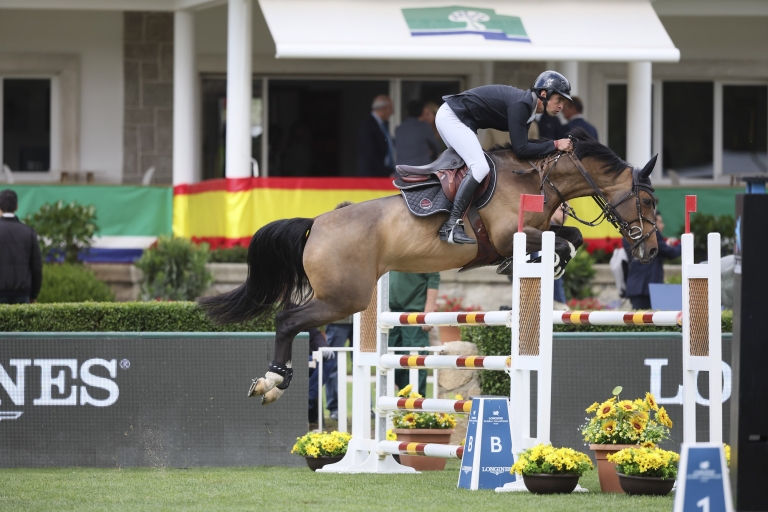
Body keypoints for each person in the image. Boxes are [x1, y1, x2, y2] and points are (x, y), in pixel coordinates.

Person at [435, 71, 574, 244]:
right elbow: (521, 149)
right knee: (480, 166)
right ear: (544, 94)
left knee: (472, 167)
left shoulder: (528, 109)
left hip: (456, 118)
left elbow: (525, 150)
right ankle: (451, 225)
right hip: (453, 117)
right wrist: (555, 144)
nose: (561, 106)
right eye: (559, 99)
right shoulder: (522, 106)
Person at [323, 201, 355, 421]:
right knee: (333, 364)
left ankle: (369, 406)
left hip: (363, 319)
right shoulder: (329, 248)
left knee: (365, 363)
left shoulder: (362, 244)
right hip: (337, 318)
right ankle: (334, 407)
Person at [388, 271, 440, 397]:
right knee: (395, 361)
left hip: (415, 315)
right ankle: (403, 403)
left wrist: (427, 313)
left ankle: (417, 404)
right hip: (394, 315)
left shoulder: (423, 252)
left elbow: (433, 277)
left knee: (416, 362)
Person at [623, 211, 681, 310]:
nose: (663, 225)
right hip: (648, 288)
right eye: (660, 222)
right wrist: (684, 243)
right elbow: (670, 253)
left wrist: (665, 246)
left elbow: (652, 251)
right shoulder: (651, 233)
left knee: (637, 322)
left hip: (635, 287)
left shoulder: (629, 232)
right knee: (651, 322)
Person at [0, 189, 42, 304]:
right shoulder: (28, 232)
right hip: (22, 294)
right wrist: (34, 294)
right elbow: (36, 267)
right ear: (17, 207)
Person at [356, 95, 396, 177]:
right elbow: (370, 154)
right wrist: (387, 172)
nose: (393, 112)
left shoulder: (382, 125)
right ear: (383, 108)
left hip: (383, 173)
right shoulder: (367, 125)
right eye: (391, 108)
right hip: (371, 177)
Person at [395, 100, 441, 166]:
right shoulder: (425, 127)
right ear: (422, 112)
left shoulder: (398, 129)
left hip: (401, 171)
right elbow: (437, 149)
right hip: (420, 171)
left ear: (406, 112)